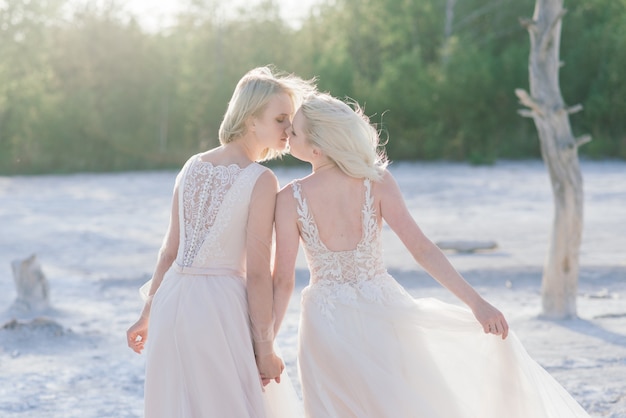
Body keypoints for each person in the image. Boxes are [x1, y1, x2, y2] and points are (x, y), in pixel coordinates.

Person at [272, 92, 591, 417]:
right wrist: (476, 303)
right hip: (382, 307)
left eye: (294, 132)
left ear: (317, 148)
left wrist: (266, 344)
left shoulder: (288, 199)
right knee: (397, 403)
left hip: (325, 322)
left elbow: (283, 280)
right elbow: (423, 250)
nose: (286, 135)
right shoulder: (376, 181)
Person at [126, 66, 311, 418]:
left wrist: (146, 315)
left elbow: (170, 252)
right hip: (218, 309)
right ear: (250, 120)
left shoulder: (192, 165)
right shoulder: (260, 179)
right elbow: (258, 274)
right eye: (281, 119)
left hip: (172, 304)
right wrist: (265, 348)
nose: (290, 129)